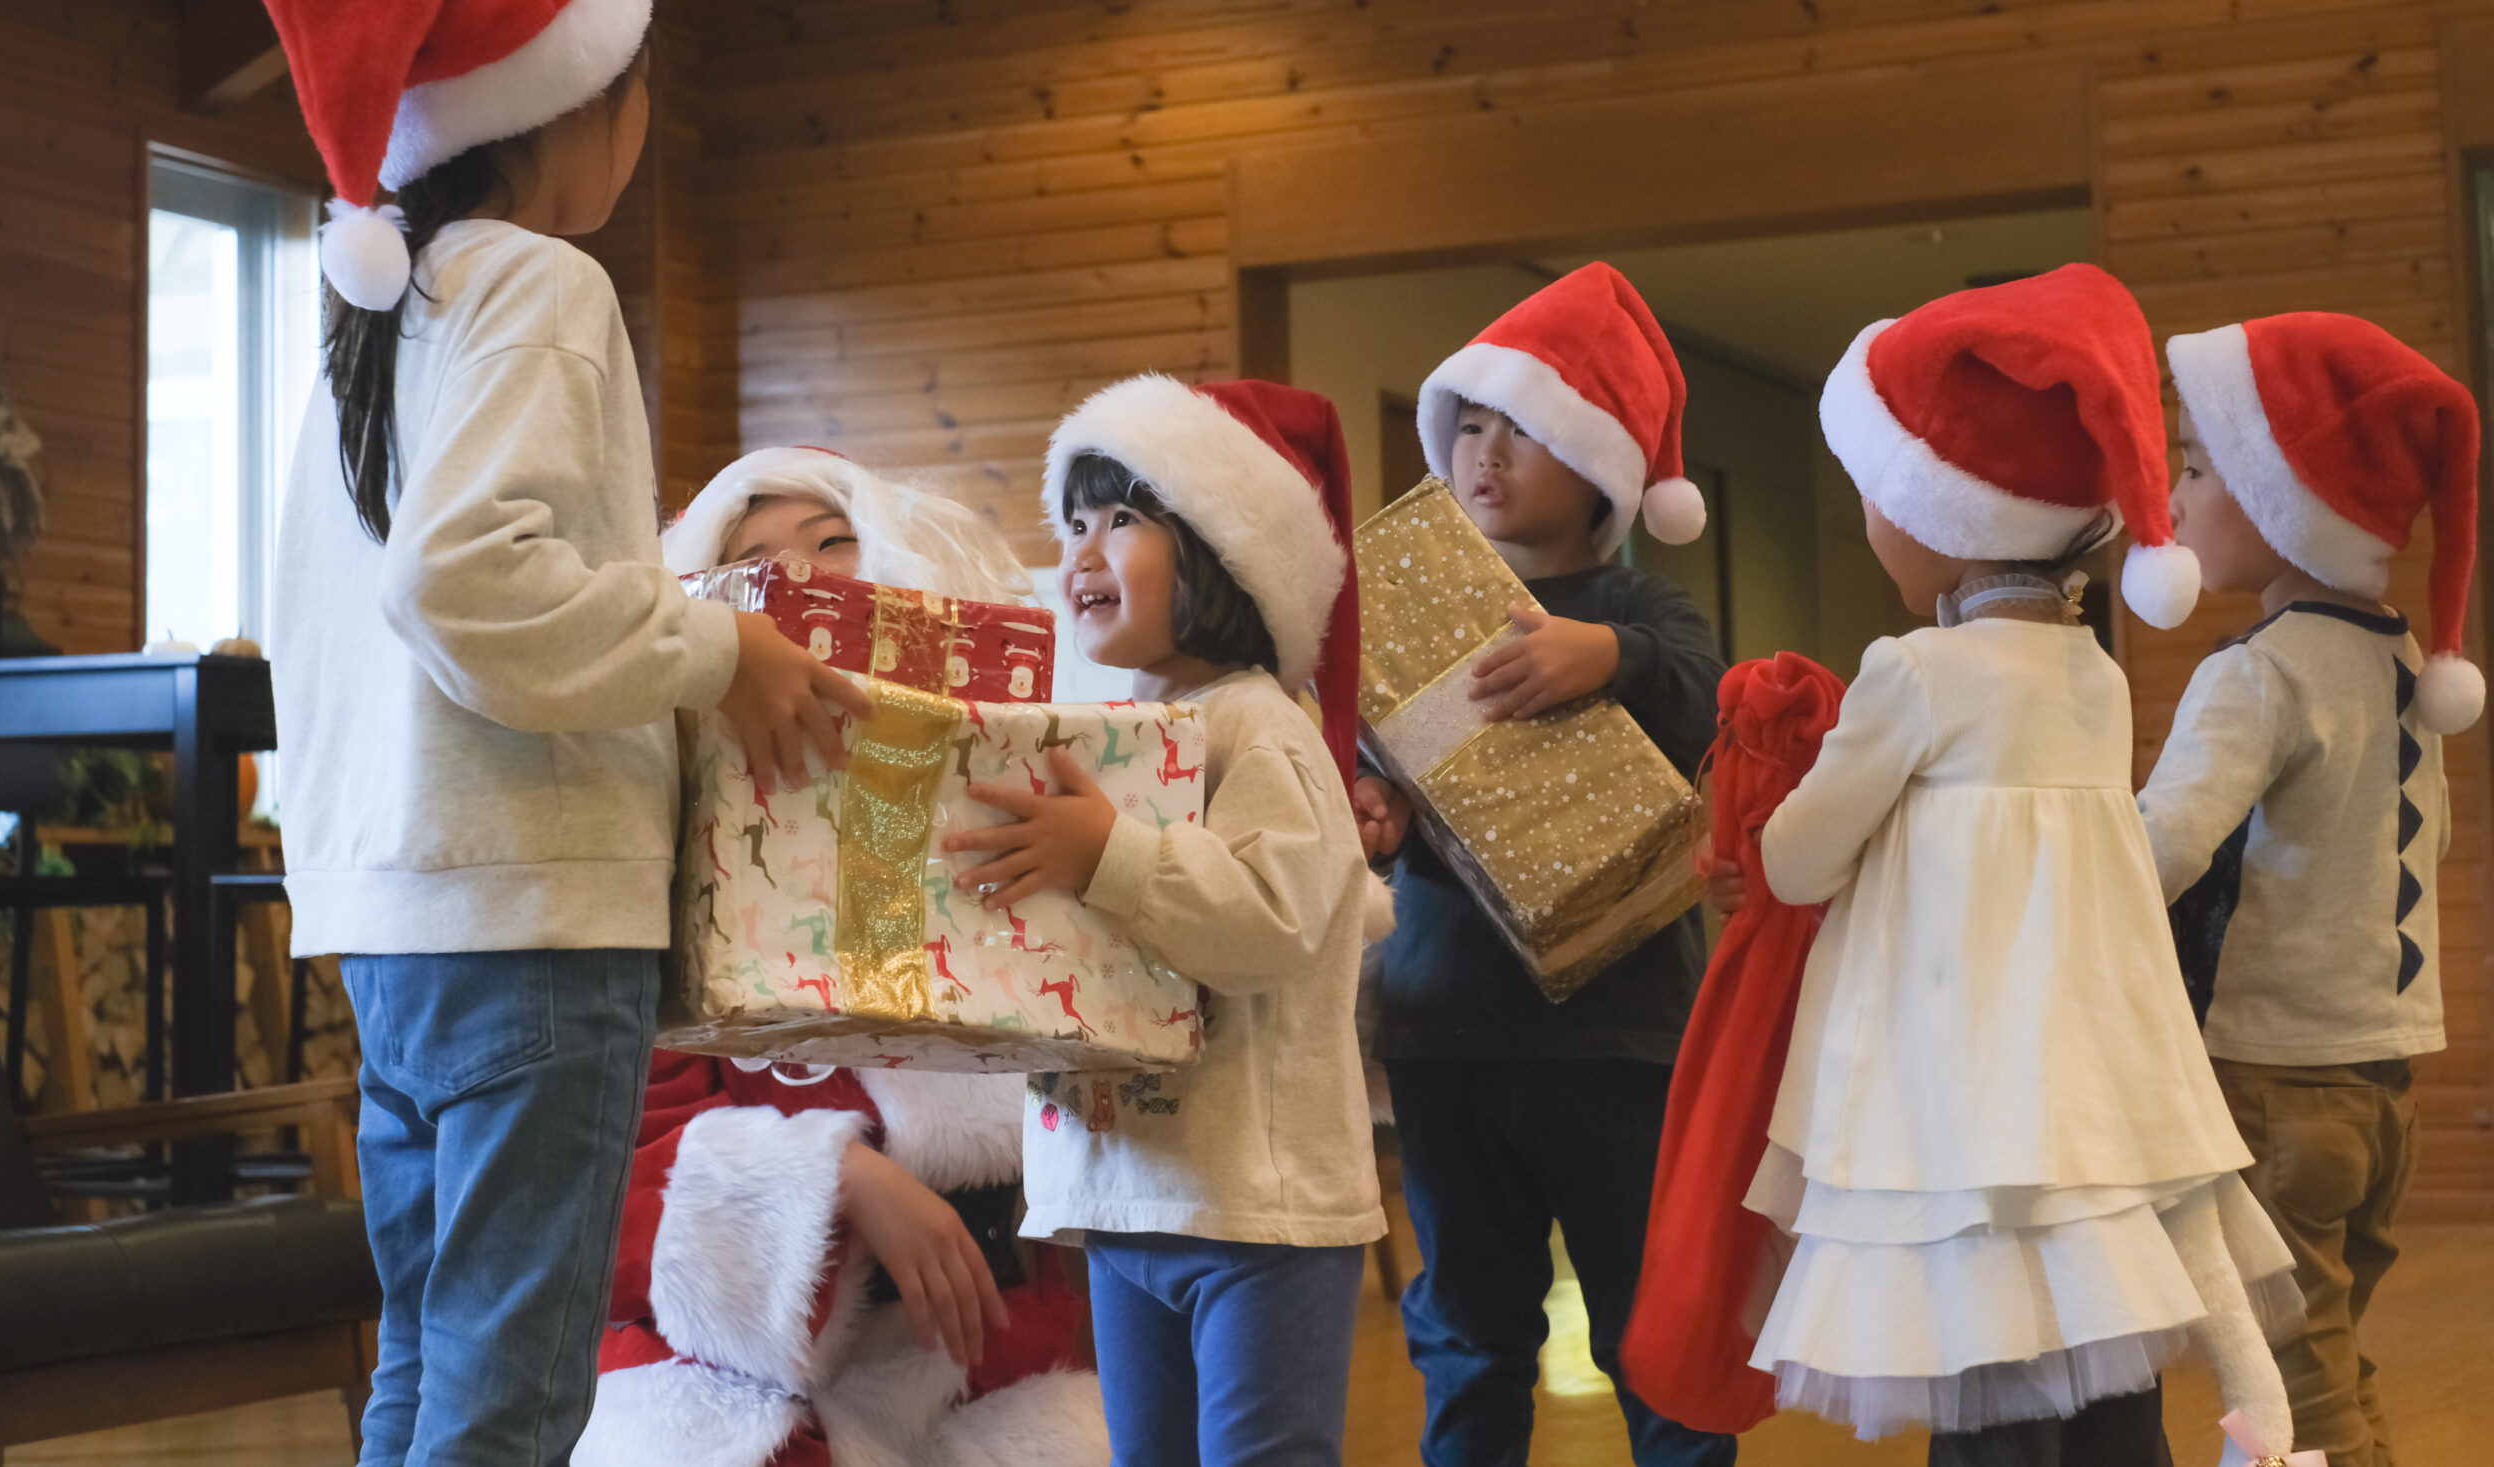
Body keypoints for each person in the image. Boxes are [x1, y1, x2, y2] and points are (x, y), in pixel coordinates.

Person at [259, 0, 868, 1467]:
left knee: (424, 1369)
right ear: (584, 100)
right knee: (512, 1397)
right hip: (528, 918)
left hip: (395, 925)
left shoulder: (368, 321)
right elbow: (467, 585)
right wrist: (711, 645)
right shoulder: (537, 282)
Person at [1746, 264, 2303, 1467]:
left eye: (1871, 495)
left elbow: (1796, 862)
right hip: (2089, 1097)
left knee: (1987, 1396)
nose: (1866, 520)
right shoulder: (2093, 679)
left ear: (1936, 514)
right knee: (2108, 1378)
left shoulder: (1914, 674)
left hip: (1958, 1108)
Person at [575, 447, 1106, 1467]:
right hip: (730, 1359)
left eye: (831, 544)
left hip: (979, 1343)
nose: (803, 581)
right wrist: (840, 1181)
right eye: (759, 563)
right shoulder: (665, 817)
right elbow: (626, 1147)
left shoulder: (1010, 801)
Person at [946, 375, 1384, 1467]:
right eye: (1074, 525)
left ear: (1223, 554)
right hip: (1123, 1199)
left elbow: (1271, 923)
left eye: (1125, 520)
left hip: (1256, 1214)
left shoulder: (1259, 731)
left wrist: (1109, 853)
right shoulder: (1117, 734)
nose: (1083, 552)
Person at [1349, 263, 1731, 1467]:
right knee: (1466, 1330)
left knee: (1648, 1322)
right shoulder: (1406, 619)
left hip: (1618, 1031)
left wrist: (1602, 651)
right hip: (1444, 1021)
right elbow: (1376, 776)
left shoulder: (1640, 605)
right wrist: (1375, 816)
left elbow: (1703, 696)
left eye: (1524, 430)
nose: (1485, 453)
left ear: (1603, 468)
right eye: (1467, 424)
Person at [2140, 311, 2480, 1467]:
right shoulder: (2400, 667)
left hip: (2274, 1086)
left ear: (2280, 501)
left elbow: (2160, 852)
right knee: (2328, 1360)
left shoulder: (2257, 673)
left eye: (2194, 468)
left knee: (2294, 1389)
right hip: (2382, 1092)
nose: (2172, 500)